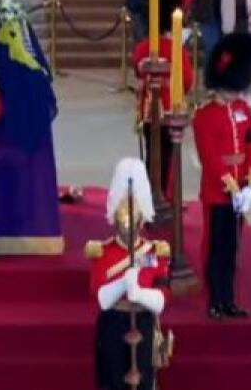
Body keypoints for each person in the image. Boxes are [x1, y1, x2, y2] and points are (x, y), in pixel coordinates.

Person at [85, 157, 170, 389]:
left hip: (143, 321)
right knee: (112, 380)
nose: (129, 232)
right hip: (113, 322)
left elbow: (163, 297)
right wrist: (123, 284)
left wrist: (140, 294)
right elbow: (100, 296)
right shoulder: (101, 251)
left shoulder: (155, 252)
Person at [192, 32, 251, 319]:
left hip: (240, 191)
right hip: (218, 193)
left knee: (232, 250)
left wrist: (250, 186)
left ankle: (229, 299)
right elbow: (210, 158)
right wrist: (232, 188)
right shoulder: (204, 115)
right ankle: (214, 299)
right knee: (215, 248)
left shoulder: (243, 109)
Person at [131, 0, 194, 200]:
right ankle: (164, 198)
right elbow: (186, 81)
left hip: (149, 112)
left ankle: (151, 196)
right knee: (168, 158)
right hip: (170, 110)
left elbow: (139, 75)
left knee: (152, 156)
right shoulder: (178, 50)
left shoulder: (142, 47)